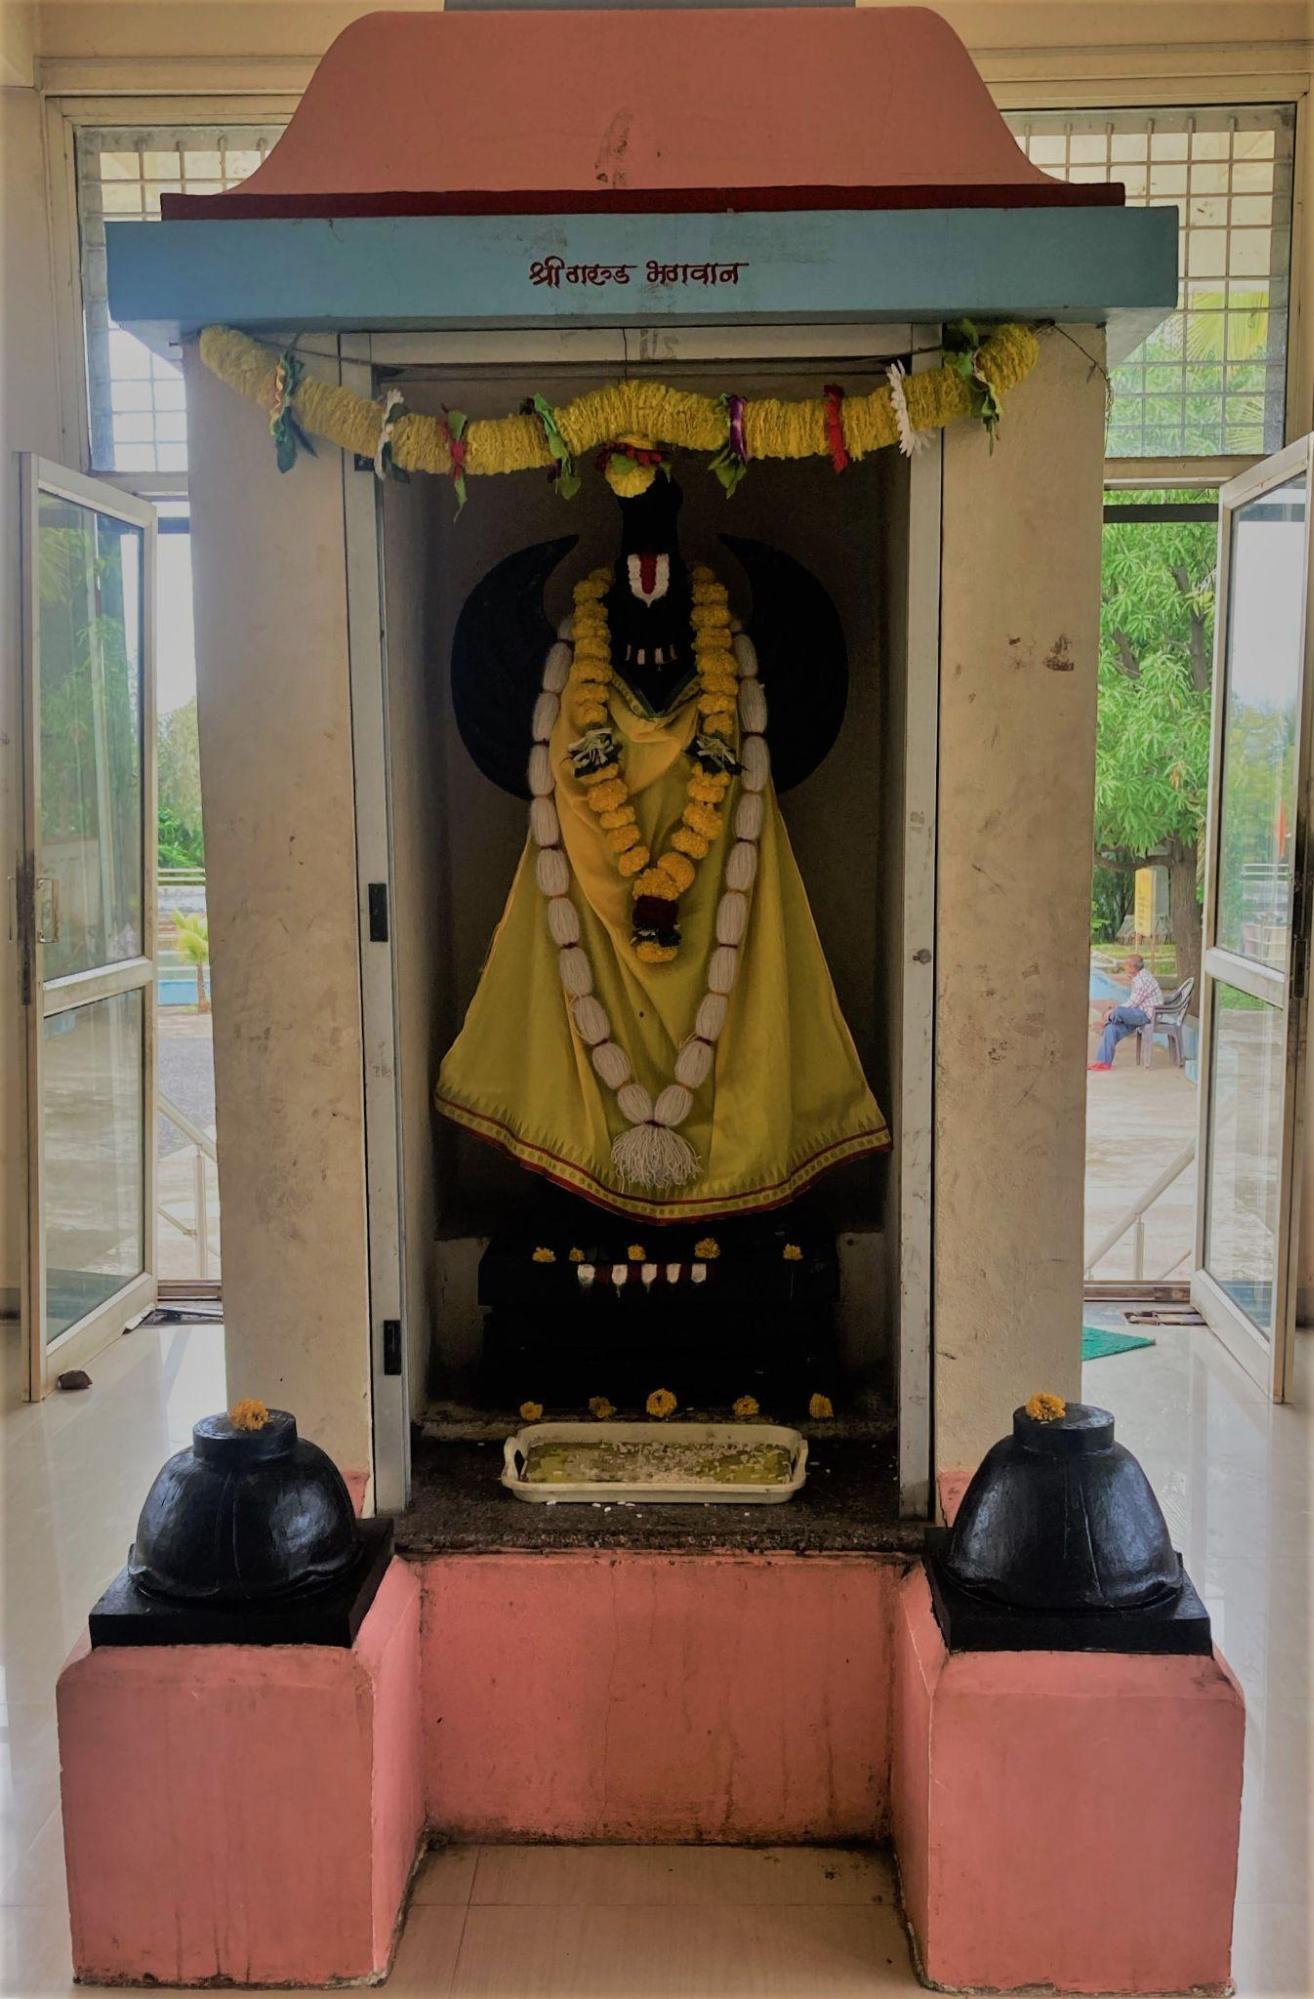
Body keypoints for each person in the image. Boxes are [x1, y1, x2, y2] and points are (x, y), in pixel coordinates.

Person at [1089, 954, 1164, 1071]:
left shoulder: (1143, 980)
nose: (1124, 967)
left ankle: (1104, 1022)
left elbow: (1132, 1003)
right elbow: (1131, 1005)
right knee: (1111, 1028)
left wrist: (1112, 1011)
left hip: (1147, 1016)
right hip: (1137, 1013)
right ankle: (1103, 1062)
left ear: (1132, 967)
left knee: (1117, 1011)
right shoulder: (1138, 977)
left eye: (1126, 965)